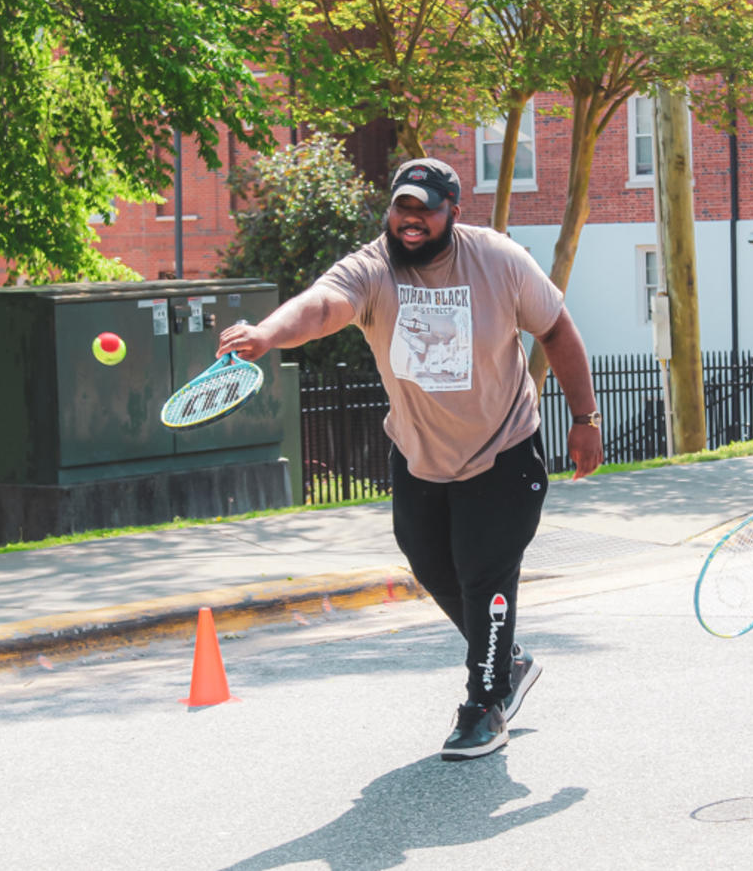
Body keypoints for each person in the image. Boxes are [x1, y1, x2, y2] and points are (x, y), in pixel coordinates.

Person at [217, 157, 603, 761]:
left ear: (453, 210)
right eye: (402, 207)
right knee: (428, 561)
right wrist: (266, 335)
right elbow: (321, 307)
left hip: (503, 448)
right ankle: (508, 659)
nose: (411, 220)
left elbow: (557, 329)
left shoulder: (498, 260)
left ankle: (484, 704)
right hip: (419, 452)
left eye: (425, 208)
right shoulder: (372, 268)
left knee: (484, 572)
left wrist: (584, 421)